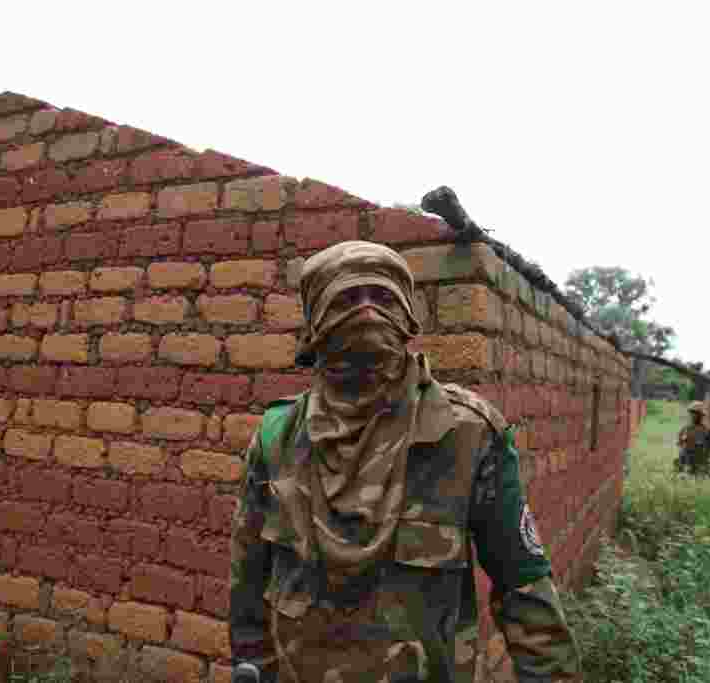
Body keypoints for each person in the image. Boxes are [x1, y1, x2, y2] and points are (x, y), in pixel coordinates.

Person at [229, 241, 582, 683]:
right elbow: (248, 576)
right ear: (315, 322)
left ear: (407, 317)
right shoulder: (277, 435)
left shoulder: (468, 433)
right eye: (345, 300)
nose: (366, 313)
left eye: (381, 298)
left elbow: (523, 587)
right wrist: (250, 666)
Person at [675, 401, 710, 477]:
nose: (693, 415)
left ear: (701, 415)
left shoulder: (708, 430)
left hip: (703, 464)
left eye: (696, 413)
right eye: (692, 413)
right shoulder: (685, 430)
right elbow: (680, 447)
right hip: (688, 464)